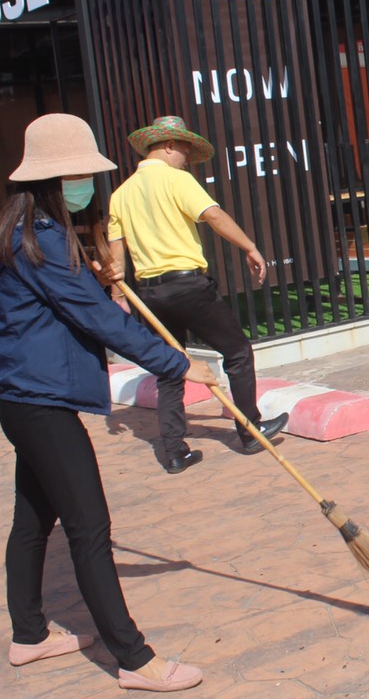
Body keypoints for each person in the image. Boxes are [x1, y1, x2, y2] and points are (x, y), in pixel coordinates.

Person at [0, 113, 214, 691]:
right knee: (89, 529)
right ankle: (135, 659)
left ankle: (29, 636)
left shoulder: (21, 233)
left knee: (33, 520)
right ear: (55, 181)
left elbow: (63, 305)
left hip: (23, 400)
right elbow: (100, 320)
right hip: (40, 405)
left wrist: (93, 280)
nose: (86, 186)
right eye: (79, 176)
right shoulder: (44, 243)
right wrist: (179, 363)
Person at [105, 116, 288, 473]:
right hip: (186, 286)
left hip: (149, 293)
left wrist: (118, 294)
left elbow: (116, 253)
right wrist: (250, 247)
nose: (187, 158)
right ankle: (251, 431)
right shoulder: (176, 179)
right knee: (237, 352)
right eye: (185, 150)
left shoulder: (120, 194)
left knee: (170, 368)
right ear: (169, 145)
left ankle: (175, 452)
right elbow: (214, 216)